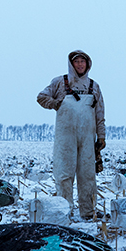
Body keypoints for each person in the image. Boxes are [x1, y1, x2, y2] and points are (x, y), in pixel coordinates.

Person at [37, 51, 106, 220]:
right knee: (64, 174)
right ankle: (64, 211)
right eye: (77, 61)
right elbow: (41, 97)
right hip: (65, 138)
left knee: (87, 175)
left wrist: (101, 136)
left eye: (83, 61)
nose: (80, 64)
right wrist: (55, 103)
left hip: (87, 138)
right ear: (71, 64)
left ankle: (88, 212)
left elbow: (100, 113)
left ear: (88, 64)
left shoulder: (94, 86)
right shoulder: (60, 82)